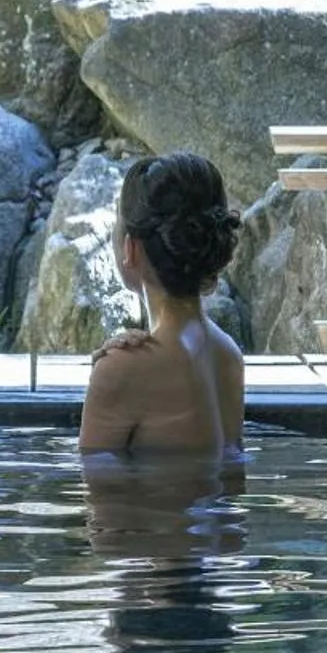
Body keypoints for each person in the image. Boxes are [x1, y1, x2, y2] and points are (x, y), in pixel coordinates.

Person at [77, 153, 245, 464]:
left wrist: (107, 373)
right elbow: (230, 481)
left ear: (130, 249)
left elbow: (98, 491)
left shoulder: (122, 370)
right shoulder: (228, 355)